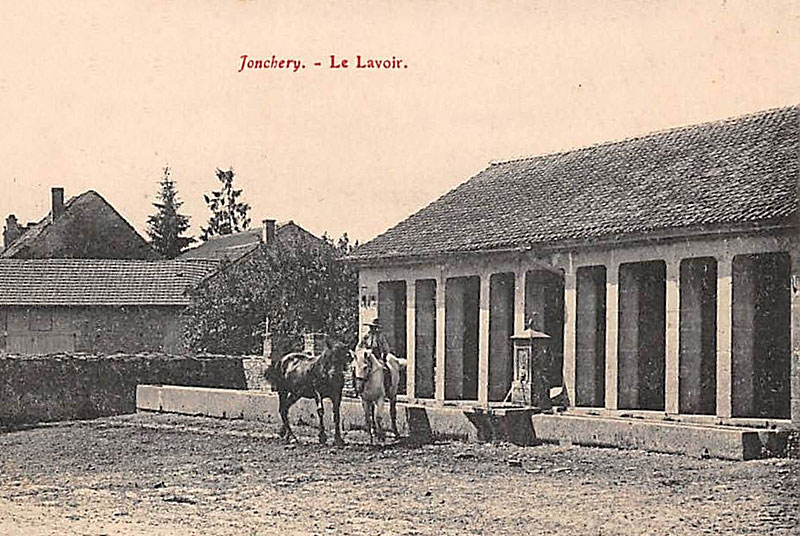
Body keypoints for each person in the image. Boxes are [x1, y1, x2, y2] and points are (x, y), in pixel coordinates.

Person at [358, 318, 392, 395]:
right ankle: (357, 388)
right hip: (366, 356)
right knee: (357, 369)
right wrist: (363, 351)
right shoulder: (366, 336)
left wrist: (384, 355)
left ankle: (387, 387)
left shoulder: (380, 336)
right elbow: (359, 346)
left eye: (374, 327)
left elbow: (386, 347)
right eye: (371, 327)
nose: (372, 329)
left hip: (377, 357)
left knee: (385, 369)